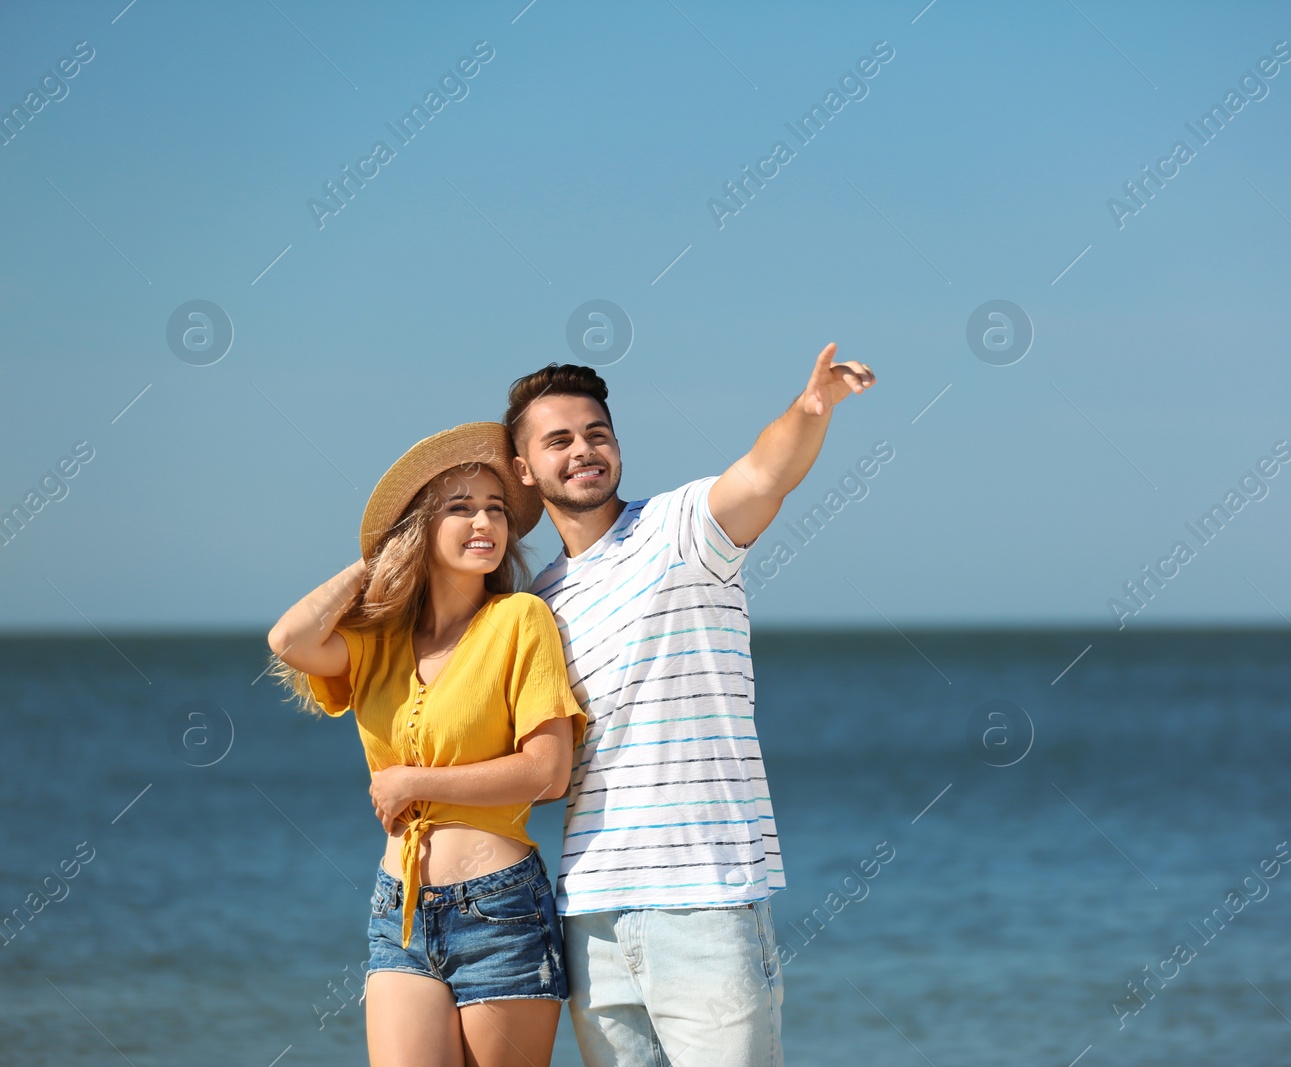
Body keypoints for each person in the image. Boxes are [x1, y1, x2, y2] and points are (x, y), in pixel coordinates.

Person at [502, 344, 876, 1066]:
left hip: (706, 901)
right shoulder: (534, 606)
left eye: (597, 433)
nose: (584, 450)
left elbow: (765, 473)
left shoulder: (681, 530)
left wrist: (809, 410)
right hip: (591, 917)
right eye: (559, 440)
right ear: (526, 469)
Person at [267, 422, 587, 1067]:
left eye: (496, 509)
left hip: (501, 909)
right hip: (400, 909)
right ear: (420, 527)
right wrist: (378, 558)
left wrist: (417, 784)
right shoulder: (380, 642)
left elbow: (548, 772)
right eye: (461, 508)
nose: (485, 524)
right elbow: (289, 639)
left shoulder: (519, 619)